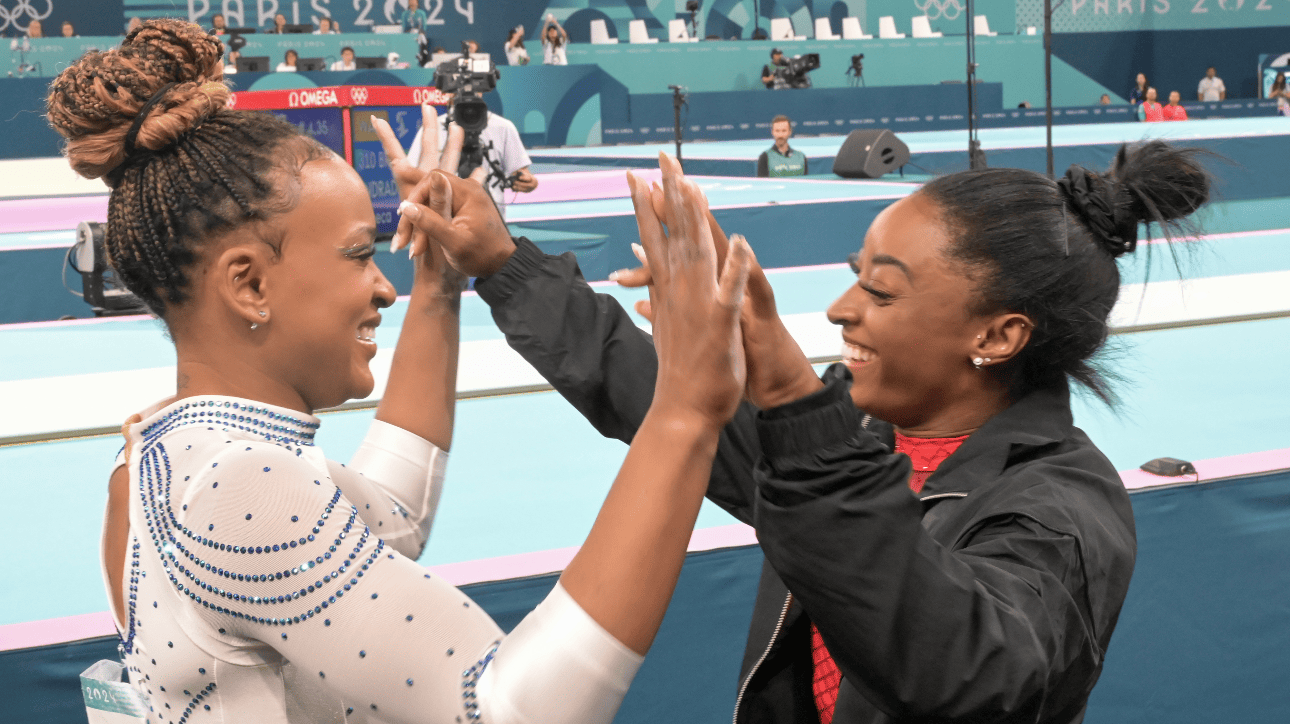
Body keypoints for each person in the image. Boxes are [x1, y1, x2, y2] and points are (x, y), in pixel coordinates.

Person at [49, 18, 754, 724]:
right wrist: (685, 411)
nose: (385, 289)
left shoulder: (155, 459)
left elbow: (391, 515)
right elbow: (508, 712)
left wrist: (439, 284)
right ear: (250, 286)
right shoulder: (236, 488)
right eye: (360, 255)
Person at [425, 138, 1211, 723]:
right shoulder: (859, 435)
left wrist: (800, 407)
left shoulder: (1061, 509)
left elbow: (966, 670)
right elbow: (666, 399)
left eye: (881, 290)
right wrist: (505, 265)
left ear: (998, 337)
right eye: (852, 272)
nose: (841, 309)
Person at [405, 101, 538, 218]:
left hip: (491, 224)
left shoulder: (503, 127)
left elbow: (520, 172)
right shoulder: (434, 128)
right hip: (444, 224)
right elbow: (412, 179)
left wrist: (528, 181)